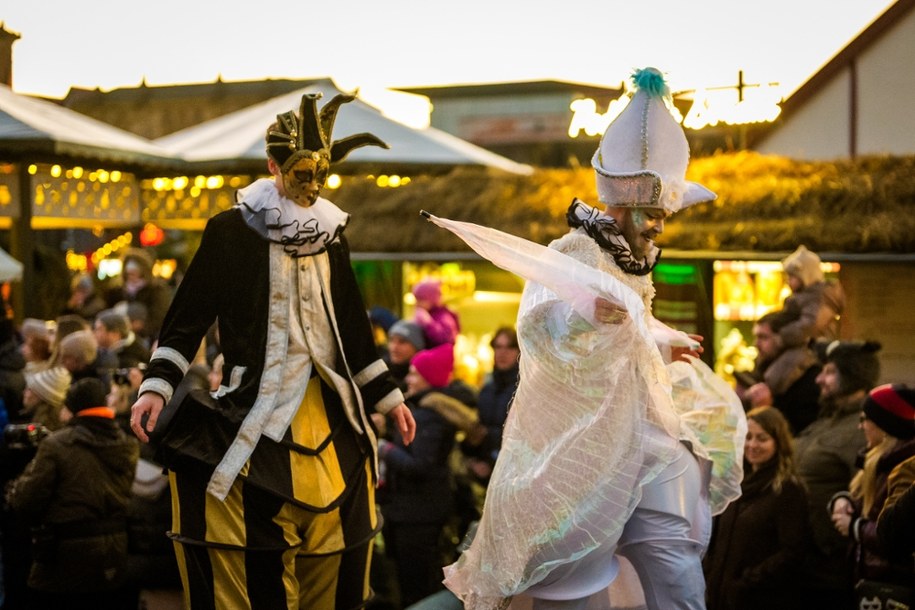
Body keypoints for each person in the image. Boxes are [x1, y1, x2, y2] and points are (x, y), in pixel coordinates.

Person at [441, 68, 745, 610]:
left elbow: (634, 329)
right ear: (625, 205)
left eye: (664, 216)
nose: (659, 227)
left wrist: (661, 342)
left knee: (674, 564)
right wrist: (584, 318)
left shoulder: (635, 259)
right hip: (585, 443)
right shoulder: (576, 251)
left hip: (641, 429)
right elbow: (540, 320)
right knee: (574, 583)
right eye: (653, 214)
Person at [129, 91, 416, 610]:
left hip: (330, 407)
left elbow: (352, 325)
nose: (311, 186)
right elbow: (188, 316)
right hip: (252, 406)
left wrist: (389, 399)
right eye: (300, 172)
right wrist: (156, 386)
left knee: (341, 533)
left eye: (320, 174)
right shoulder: (230, 232)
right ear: (273, 166)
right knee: (235, 523)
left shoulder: (332, 234)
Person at [6, 377, 139, 610]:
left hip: (63, 558)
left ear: (72, 409)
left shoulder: (57, 445)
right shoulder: (127, 445)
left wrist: (13, 490)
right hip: (113, 555)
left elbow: (26, 500)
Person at [795, 339, 880, 608]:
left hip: (829, 565)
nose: (819, 379)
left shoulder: (862, 429)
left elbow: (864, 495)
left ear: (854, 376)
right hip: (802, 559)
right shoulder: (824, 422)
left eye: (830, 372)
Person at [703, 406, 812, 610]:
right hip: (720, 597)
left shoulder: (787, 489)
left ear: (778, 442)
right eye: (748, 437)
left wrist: (746, 582)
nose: (752, 445)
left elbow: (793, 552)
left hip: (757, 599)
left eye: (762, 439)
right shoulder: (736, 484)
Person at [378, 343, 462, 607]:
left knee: (416, 583)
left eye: (414, 373)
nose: (408, 378)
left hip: (417, 514)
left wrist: (384, 448)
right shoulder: (425, 410)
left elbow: (419, 466)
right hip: (412, 512)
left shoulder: (430, 416)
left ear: (428, 378)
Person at [828, 384, 915, 598]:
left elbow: (895, 533)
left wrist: (855, 527)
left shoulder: (904, 468)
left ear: (885, 426)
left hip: (891, 585)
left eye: (864, 419)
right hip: (870, 582)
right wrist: (842, 500)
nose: (861, 426)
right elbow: (867, 503)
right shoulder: (878, 461)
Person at [741, 309, 822, 434]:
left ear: (783, 339)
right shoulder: (765, 368)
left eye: (763, 337)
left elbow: (802, 429)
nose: (756, 344)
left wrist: (766, 409)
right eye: (756, 337)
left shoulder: (809, 375)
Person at [105, 248, 172, 344]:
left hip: (147, 337)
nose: (131, 276)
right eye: (129, 273)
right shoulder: (117, 291)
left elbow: (159, 315)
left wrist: (142, 327)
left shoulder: (156, 290)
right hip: (120, 337)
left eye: (134, 273)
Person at [20, 366, 72, 432]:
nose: (24, 392)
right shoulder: (58, 425)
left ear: (41, 397)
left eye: (30, 389)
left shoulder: (37, 430)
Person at [412, 279, 460, 348]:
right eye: (416, 300)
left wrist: (428, 324)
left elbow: (447, 340)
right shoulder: (428, 314)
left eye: (421, 300)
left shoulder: (444, 317)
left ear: (432, 299)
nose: (417, 304)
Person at [384, 319, 427, 389]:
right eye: (391, 340)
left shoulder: (424, 381)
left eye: (402, 342)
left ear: (417, 347)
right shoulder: (381, 371)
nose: (394, 347)